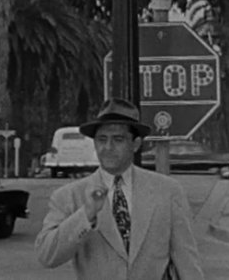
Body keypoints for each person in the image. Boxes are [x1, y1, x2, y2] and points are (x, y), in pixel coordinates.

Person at [35, 98, 204, 280]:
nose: (108, 147)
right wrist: (86, 214)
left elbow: (187, 261)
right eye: (102, 139)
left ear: (136, 144)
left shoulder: (168, 191)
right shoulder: (69, 196)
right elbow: (47, 255)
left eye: (118, 139)